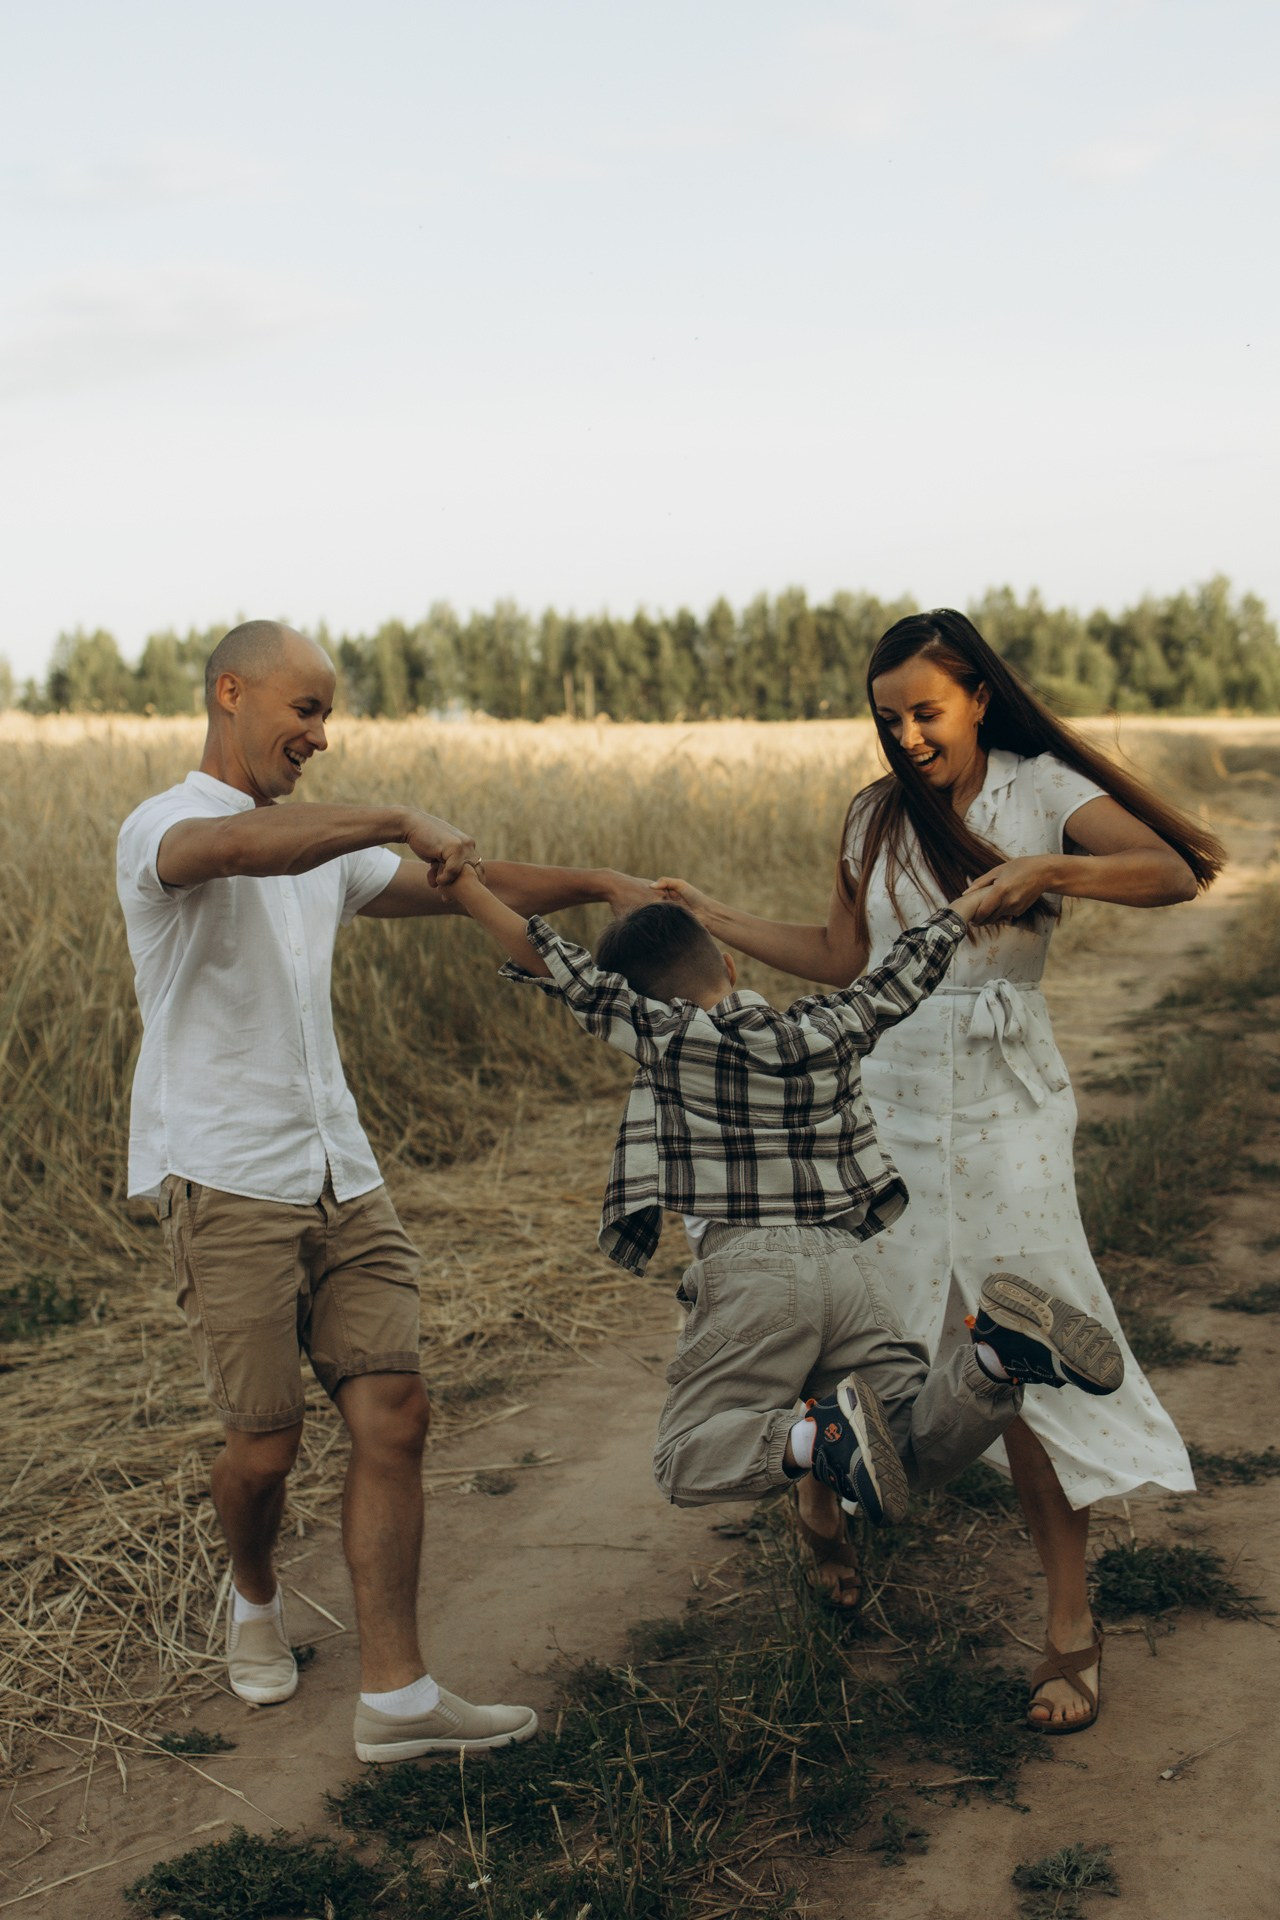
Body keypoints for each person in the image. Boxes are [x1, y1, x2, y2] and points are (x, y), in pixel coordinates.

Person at [656, 608, 1224, 1733]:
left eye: (925, 712)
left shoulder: (1039, 787)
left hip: (1007, 1096)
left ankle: (1069, 1623)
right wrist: (709, 915)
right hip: (888, 1092)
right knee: (869, 1320)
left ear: (976, 697)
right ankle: (822, 1502)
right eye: (889, 720)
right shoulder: (872, 815)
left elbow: (1170, 873)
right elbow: (841, 958)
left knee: (1028, 1339)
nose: (907, 737)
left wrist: (1044, 869)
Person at [116, 619, 650, 1764]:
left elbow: (459, 887)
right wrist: (399, 813)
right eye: (304, 709)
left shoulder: (323, 850)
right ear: (230, 691)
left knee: (395, 1412)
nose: (320, 734)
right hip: (227, 1178)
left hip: (340, 1172)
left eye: (327, 714)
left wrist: (597, 883)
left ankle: (397, 1701)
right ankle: (252, 1594)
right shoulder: (163, 827)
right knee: (264, 1449)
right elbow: (242, 850)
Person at [441, 875, 1125, 1540]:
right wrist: (963, 909)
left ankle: (815, 1437)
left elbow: (560, 966)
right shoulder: (830, 1025)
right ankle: (997, 1359)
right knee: (907, 1450)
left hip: (752, 1268)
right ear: (729, 966)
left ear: (640, 1000)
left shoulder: (667, 1035)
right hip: (846, 1267)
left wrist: (462, 883)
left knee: (682, 1458)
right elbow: (903, 971)